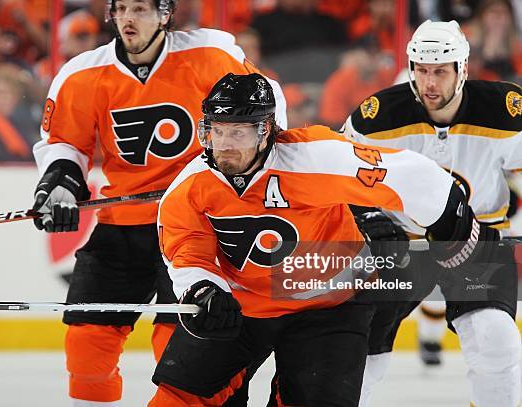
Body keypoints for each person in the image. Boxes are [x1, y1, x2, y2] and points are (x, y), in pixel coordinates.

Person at [149, 72, 499, 406]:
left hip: (329, 307)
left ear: (266, 130)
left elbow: (409, 173)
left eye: (237, 133)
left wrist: (449, 220)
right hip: (243, 305)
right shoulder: (191, 186)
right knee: (178, 401)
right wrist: (202, 288)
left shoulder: (314, 157)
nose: (223, 145)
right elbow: (186, 250)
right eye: (216, 131)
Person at [30, 1, 286, 405]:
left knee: (181, 341)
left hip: (194, 224)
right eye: (122, 9)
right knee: (86, 342)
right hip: (121, 224)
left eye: (142, 9)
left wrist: (243, 174)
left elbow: (267, 108)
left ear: (166, 15)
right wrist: (61, 184)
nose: (129, 19)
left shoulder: (209, 55)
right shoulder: (82, 73)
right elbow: (65, 142)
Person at [342, 20, 521, 407]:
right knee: (356, 357)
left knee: (496, 342)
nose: (429, 83)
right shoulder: (377, 119)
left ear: (463, 69)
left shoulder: (505, 111)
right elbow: (338, 179)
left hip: (478, 244)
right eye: (421, 70)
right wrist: (366, 218)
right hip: (400, 250)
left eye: (440, 71)